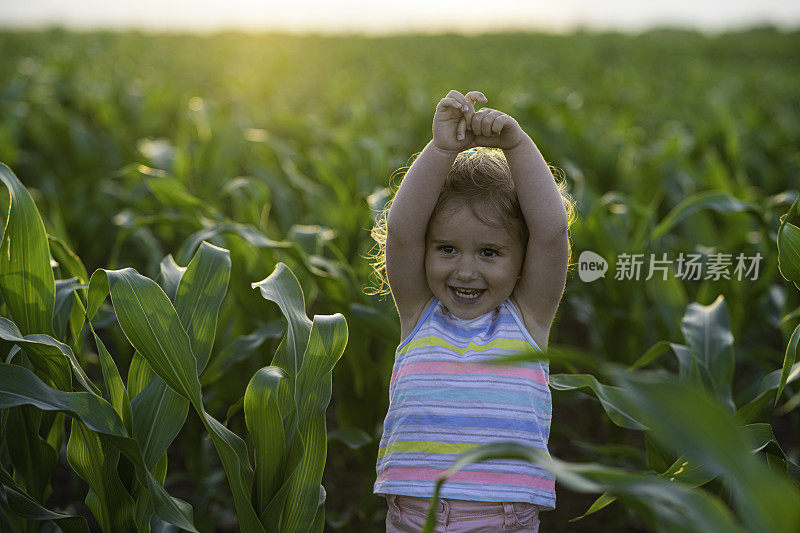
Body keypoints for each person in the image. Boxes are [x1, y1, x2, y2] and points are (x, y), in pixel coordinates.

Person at [368, 89, 574, 532]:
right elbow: (402, 231)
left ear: (522, 259)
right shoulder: (420, 314)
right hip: (412, 515)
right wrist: (442, 149)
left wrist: (517, 146)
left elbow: (552, 233)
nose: (465, 271)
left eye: (489, 252)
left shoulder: (527, 322)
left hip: (502, 519)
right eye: (446, 248)